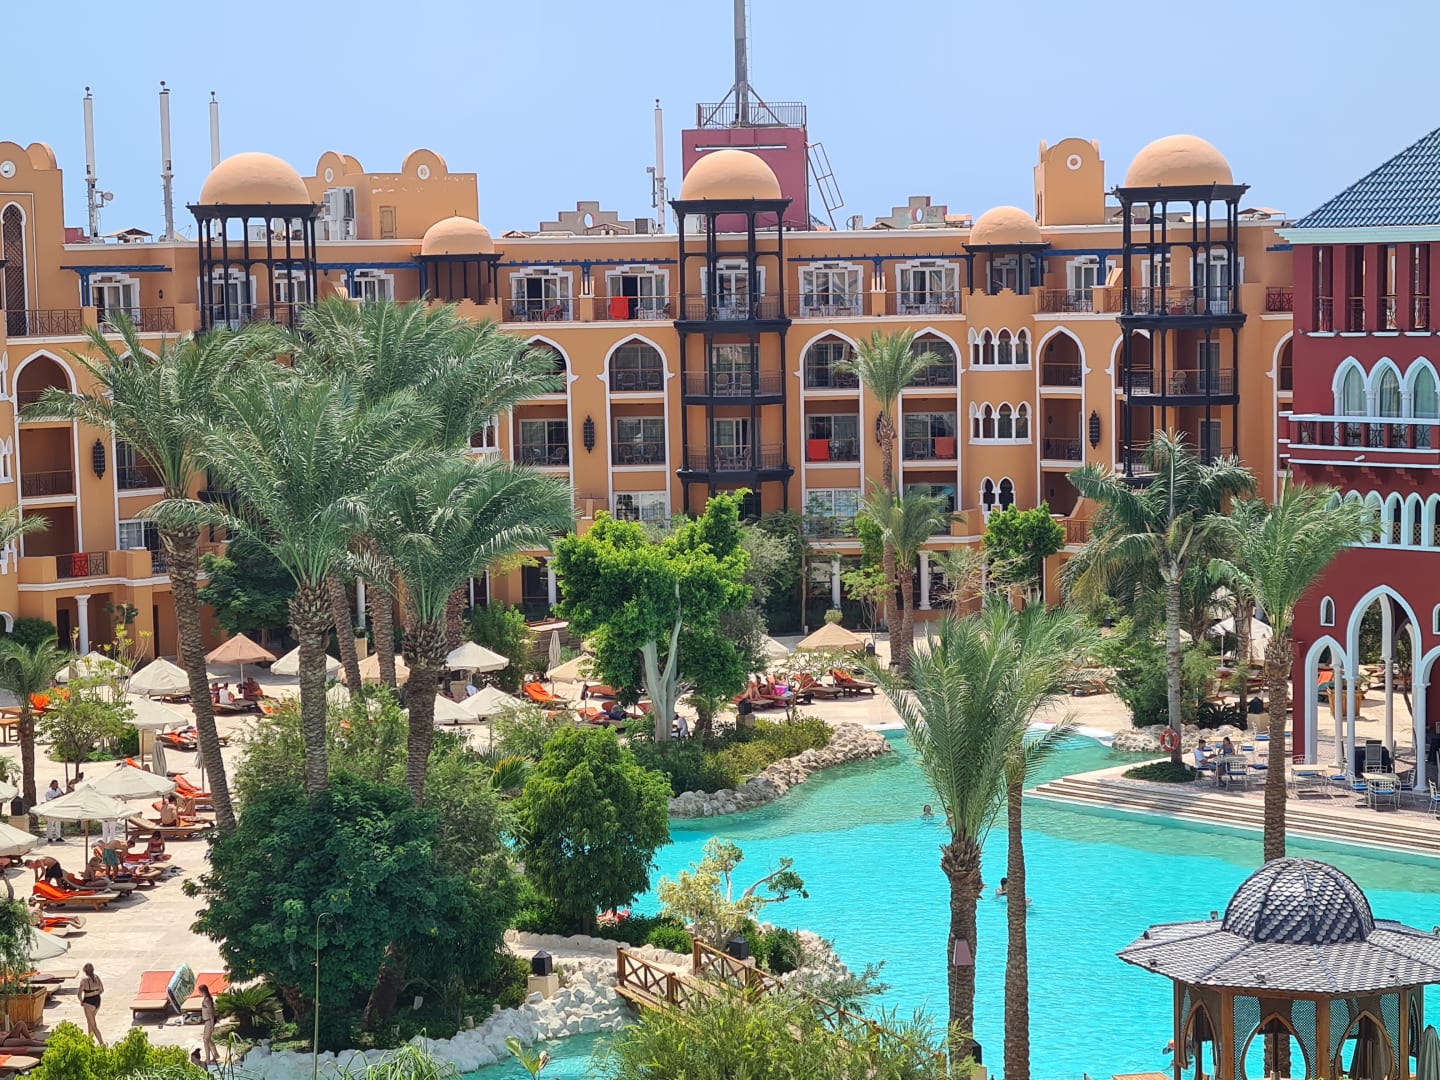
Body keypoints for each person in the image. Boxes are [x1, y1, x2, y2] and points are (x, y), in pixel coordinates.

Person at [78, 963, 104, 1045]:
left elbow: (79, 994)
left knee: (93, 1025)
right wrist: (95, 993)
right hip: (97, 1001)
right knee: (90, 1022)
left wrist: (81, 1001)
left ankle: (102, 1044)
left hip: (88, 1002)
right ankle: (89, 1043)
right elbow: (102, 990)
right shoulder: (97, 978)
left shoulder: (84, 980)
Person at [199, 983, 218, 1064]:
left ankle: (208, 1058)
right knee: (207, 1039)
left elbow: (211, 1012)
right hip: (207, 1021)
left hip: (209, 1021)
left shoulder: (207, 1000)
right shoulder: (205, 999)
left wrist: (212, 1024)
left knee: (206, 1039)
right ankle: (215, 1055)